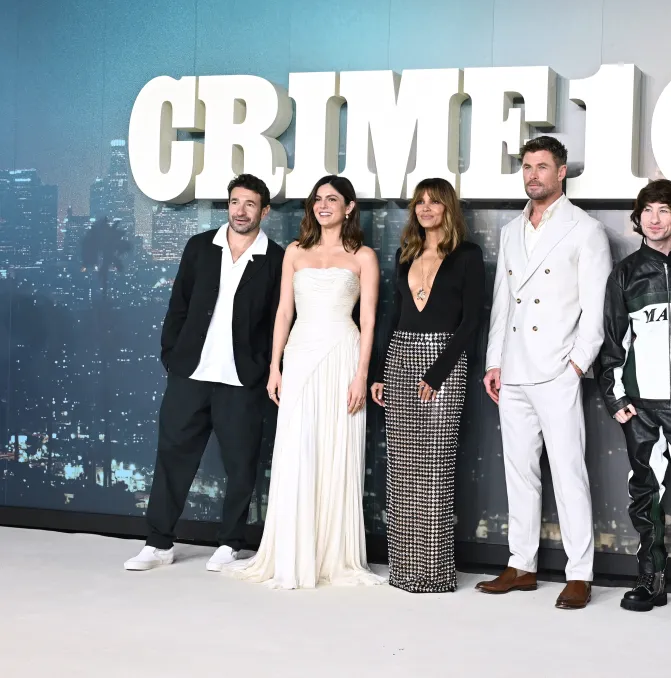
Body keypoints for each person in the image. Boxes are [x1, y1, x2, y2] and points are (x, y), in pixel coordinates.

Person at [223, 175, 383, 589]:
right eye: (318, 199)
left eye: (333, 199)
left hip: (343, 356)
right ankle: (292, 550)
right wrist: (275, 366)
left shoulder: (363, 256)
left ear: (349, 207)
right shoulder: (294, 252)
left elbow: (368, 320)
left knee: (336, 448)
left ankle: (332, 554)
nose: (323, 204)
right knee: (297, 450)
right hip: (299, 356)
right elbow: (282, 314)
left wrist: (362, 375)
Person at [475, 136, 612, 610]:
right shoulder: (512, 230)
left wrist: (576, 365)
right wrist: (495, 361)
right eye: (527, 167)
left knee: (569, 472)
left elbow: (597, 310)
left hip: (557, 369)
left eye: (541, 167)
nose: (533, 175)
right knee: (520, 472)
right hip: (513, 370)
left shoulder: (585, 230)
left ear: (562, 172)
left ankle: (579, 573)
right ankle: (522, 564)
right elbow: (501, 301)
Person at [125, 174, 284, 572]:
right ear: (227, 205)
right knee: (173, 457)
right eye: (234, 202)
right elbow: (178, 305)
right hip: (191, 374)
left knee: (241, 464)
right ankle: (158, 543)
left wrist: (264, 367)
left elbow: (281, 319)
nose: (240, 211)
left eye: (250, 204)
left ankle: (230, 543)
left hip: (241, 380)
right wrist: (172, 356)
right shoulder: (200, 247)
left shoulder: (276, 259)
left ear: (264, 211)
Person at [597, 179, 671, 621]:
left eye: (663, 210)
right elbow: (611, 344)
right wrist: (616, 400)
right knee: (646, 498)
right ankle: (649, 581)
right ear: (638, 218)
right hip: (642, 409)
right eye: (647, 210)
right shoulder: (626, 273)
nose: (654, 218)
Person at [369, 178, 484, 593]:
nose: (425, 208)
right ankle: (403, 570)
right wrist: (381, 372)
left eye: (434, 202)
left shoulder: (468, 256)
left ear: (448, 208)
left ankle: (433, 573)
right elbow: (392, 316)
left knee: (435, 470)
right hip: (400, 358)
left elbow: (470, 322)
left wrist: (436, 375)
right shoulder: (406, 254)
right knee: (402, 470)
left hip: (444, 362)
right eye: (420, 202)